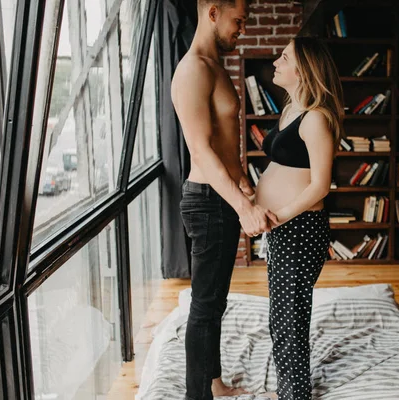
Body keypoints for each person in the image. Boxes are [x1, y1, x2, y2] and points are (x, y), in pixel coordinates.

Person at [170, 1, 278, 399]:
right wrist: (243, 206)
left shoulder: (214, 66)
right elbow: (201, 153)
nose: (243, 29)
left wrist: (244, 186)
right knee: (205, 306)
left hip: (221, 198)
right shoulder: (194, 69)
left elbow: (224, 146)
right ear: (213, 12)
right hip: (209, 201)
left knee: (212, 303)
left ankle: (212, 385)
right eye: (239, 20)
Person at [254, 36, 344, 400]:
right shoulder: (291, 108)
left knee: (290, 316)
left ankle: (296, 394)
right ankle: (288, 387)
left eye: (284, 57)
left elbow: (320, 185)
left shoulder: (316, 118)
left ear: (305, 69)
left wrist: (279, 217)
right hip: (283, 228)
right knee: (280, 311)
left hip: (300, 228)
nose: (276, 61)